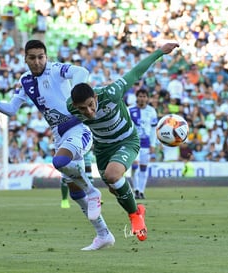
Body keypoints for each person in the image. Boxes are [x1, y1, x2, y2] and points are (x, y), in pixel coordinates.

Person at [0, 39, 115, 251]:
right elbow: (12, 109)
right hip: (59, 136)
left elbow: (81, 71)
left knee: (60, 161)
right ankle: (103, 234)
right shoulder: (25, 81)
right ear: (25, 59)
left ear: (46, 57)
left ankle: (93, 192)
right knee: (74, 191)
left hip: (79, 128)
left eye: (40, 57)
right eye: (32, 58)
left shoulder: (56, 70)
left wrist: (76, 94)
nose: (37, 62)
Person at [67, 42, 179, 241]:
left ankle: (135, 216)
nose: (89, 112)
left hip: (127, 140)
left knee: (112, 175)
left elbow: (136, 72)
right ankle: (138, 210)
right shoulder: (71, 107)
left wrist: (160, 52)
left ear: (95, 96)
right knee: (115, 186)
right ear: (75, 106)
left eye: (91, 105)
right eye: (83, 109)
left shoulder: (111, 93)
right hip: (102, 148)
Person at [128, 89, 158, 199]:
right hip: (133, 143)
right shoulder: (129, 109)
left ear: (147, 98)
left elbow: (154, 129)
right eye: (140, 96)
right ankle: (135, 189)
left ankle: (141, 191)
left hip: (146, 143)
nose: (142, 98)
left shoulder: (152, 111)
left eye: (144, 96)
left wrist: (153, 145)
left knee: (144, 168)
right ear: (137, 97)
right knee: (135, 166)